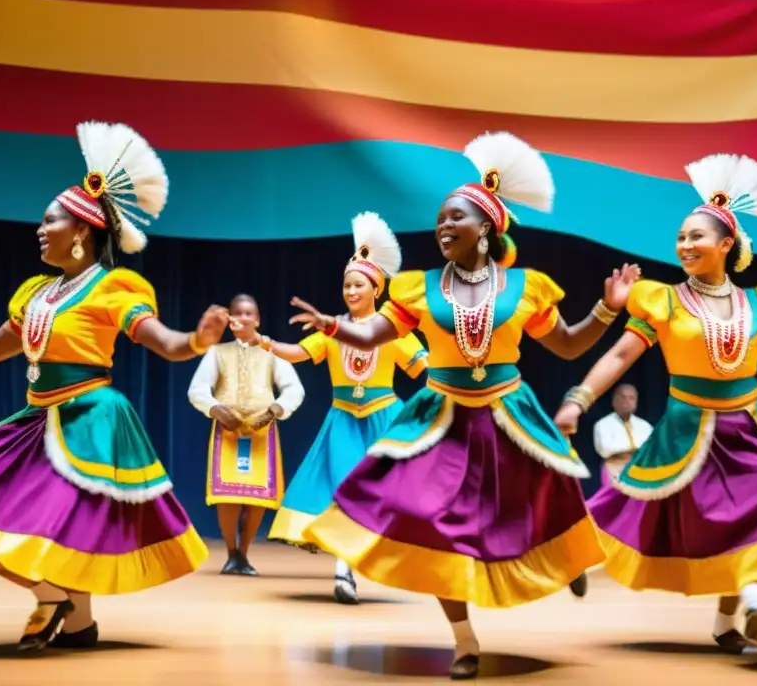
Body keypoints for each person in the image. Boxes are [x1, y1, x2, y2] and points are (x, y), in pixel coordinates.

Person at [288, 131, 640, 680]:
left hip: (506, 412)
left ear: (486, 230)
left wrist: (606, 308)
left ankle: (569, 558)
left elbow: (568, 344)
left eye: (456, 217)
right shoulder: (416, 288)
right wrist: (334, 325)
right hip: (443, 416)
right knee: (435, 525)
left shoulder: (525, 287)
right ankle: (464, 640)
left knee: (544, 495)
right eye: (440, 218)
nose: (443, 226)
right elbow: (373, 334)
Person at [0, 121, 229, 652]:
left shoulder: (113, 287)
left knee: (67, 522)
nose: (39, 231)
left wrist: (197, 340)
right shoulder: (38, 294)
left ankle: (52, 599)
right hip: (37, 417)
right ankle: (78, 619)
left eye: (49, 221)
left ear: (81, 231)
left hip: (90, 418)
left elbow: (164, 342)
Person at [554, 153, 757, 653]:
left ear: (726, 244)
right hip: (686, 429)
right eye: (681, 237)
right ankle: (574, 554)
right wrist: (578, 399)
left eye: (696, 237)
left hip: (749, 426)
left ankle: (742, 607)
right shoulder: (660, 299)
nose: (685, 245)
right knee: (630, 508)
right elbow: (621, 355)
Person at [254, 212, 428, 604]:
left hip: (384, 420)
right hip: (344, 421)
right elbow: (299, 352)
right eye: (346, 284)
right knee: (342, 490)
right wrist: (264, 341)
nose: (350, 291)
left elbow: (424, 368)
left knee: (385, 495)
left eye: (358, 284)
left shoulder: (393, 330)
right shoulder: (333, 330)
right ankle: (343, 570)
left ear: (376, 289)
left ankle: (377, 562)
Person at [188, 293, 306, 577]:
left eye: (249, 313)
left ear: (258, 319)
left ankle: (244, 553)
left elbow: (294, 389)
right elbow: (197, 390)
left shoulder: (271, 351)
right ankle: (231, 553)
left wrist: (275, 410)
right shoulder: (218, 352)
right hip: (227, 433)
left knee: (257, 497)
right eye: (237, 313)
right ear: (229, 321)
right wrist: (216, 409)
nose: (243, 318)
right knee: (227, 496)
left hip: (261, 433)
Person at [592, 384, 653, 487]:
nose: (627, 401)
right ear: (614, 401)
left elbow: (652, 449)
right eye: (623, 397)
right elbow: (605, 450)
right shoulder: (603, 424)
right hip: (615, 468)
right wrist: (635, 449)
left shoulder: (645, 425)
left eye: (631, 398)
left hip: (641, 469)